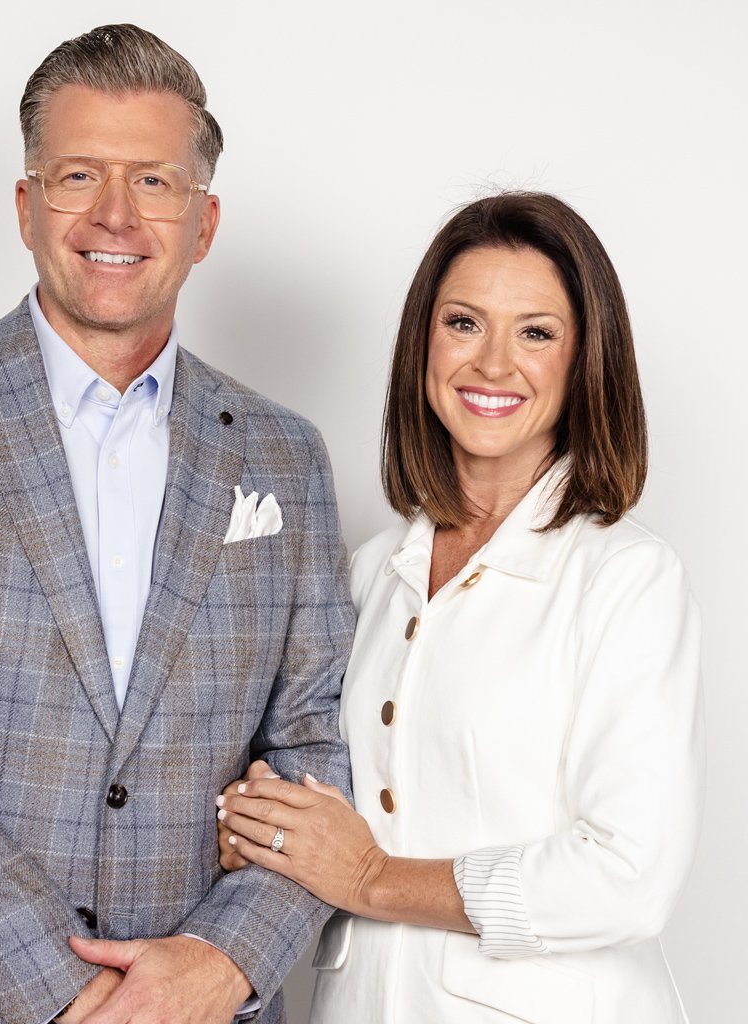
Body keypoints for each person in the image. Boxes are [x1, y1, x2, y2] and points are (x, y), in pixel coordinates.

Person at [0, 23, 354, 1024]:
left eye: (154, 182)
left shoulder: (285, 456)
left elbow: (312, 747)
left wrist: (224, 962)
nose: (114, 214)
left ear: (205, 221)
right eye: (78, 175)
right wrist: (68, 993)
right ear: (25, 206)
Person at [217, 192, 703, 1023]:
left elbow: (630, 875)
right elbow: (317, 790)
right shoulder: (370, 572)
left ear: (585, 361)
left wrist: (372, 878)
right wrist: (260, 828)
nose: (493, 364)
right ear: (424, 343)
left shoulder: (627, 578)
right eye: (464, 323)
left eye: (536, 333)